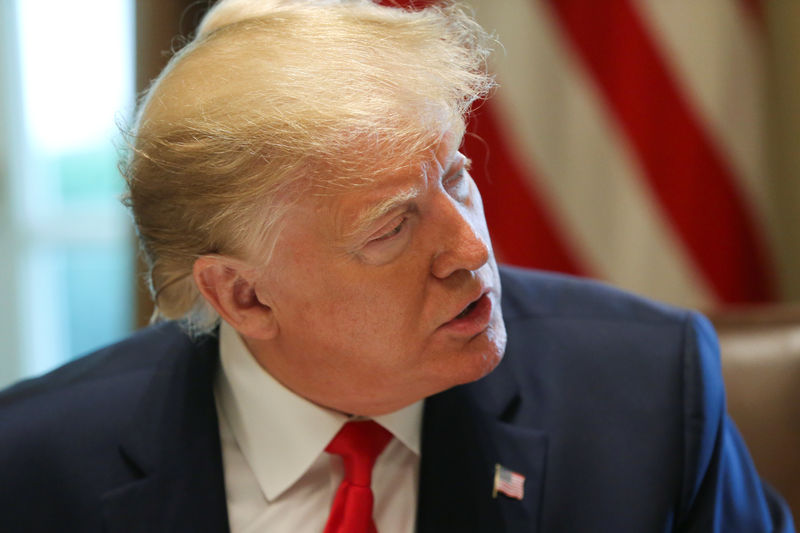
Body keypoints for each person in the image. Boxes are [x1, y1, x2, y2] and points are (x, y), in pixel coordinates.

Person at [0, 1, 794, 531]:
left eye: (456, 176)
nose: (473, 249)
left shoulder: (649, 396)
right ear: (243, 294)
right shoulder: (35, 466)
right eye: (391, 227)